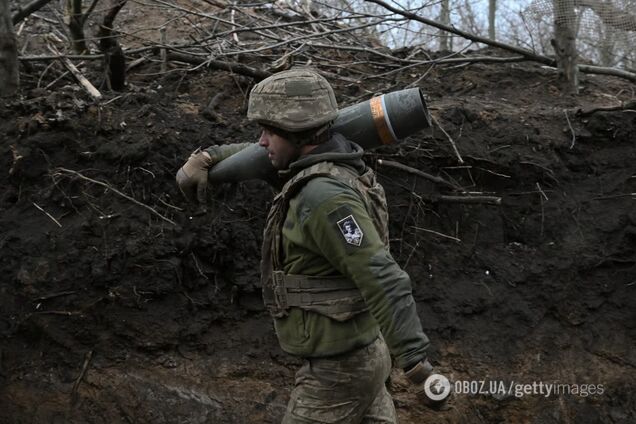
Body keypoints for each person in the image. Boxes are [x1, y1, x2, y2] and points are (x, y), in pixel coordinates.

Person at [177, 68, 448, 423]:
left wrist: (416, 366)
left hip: (338, 374)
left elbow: (381, 275)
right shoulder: (323, 159)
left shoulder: (324, 197)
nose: (260, 141)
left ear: (296, 134)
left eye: (268, 131)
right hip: (360, 353)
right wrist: (209, 157)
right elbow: (258, 153)